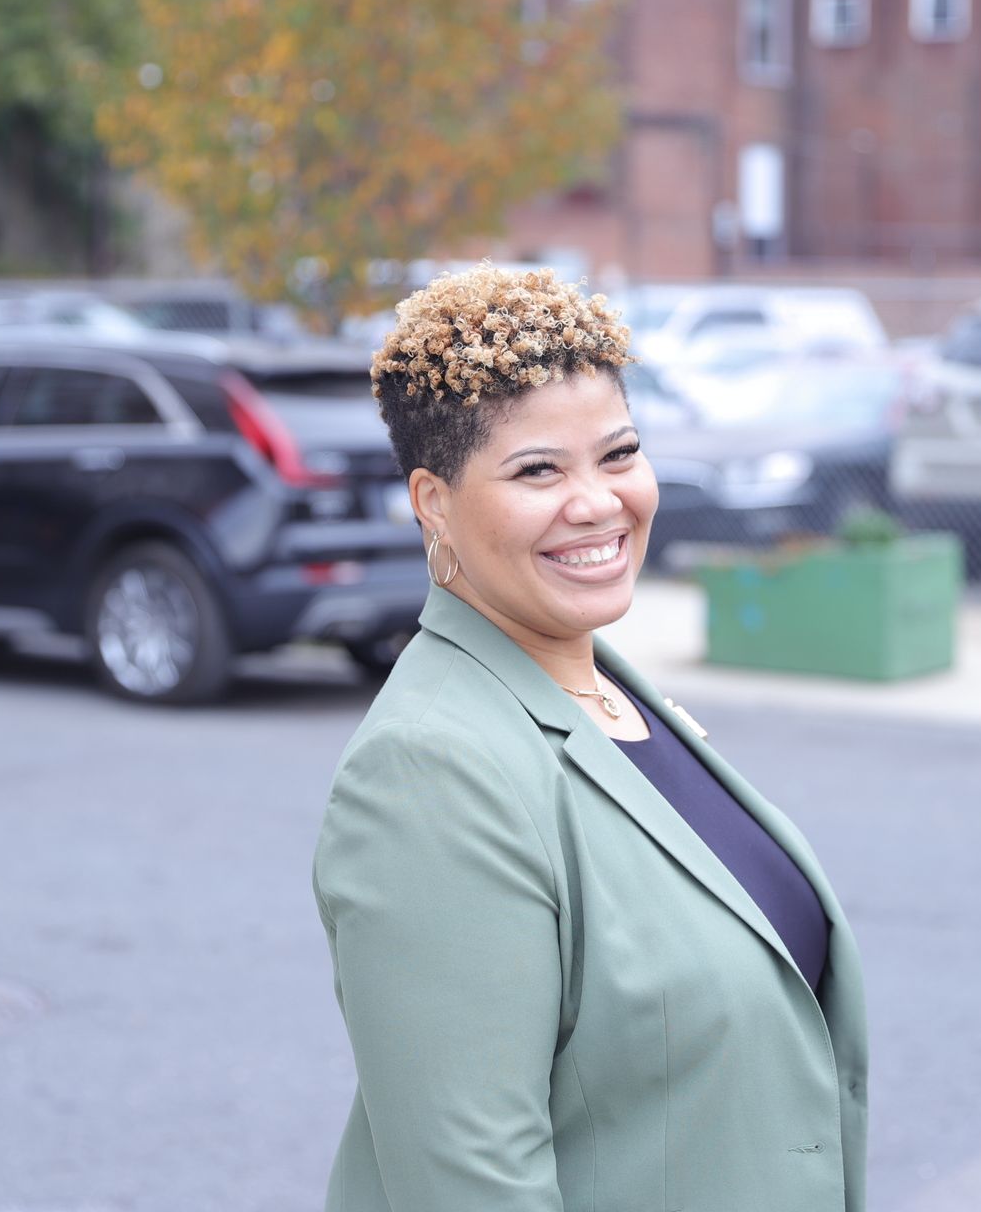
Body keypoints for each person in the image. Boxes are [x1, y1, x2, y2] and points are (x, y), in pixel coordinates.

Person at [311, 264, 869, 1212]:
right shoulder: (430, 771)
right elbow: (471, 1187)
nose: (600, 502)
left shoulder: (606, 689)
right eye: (538, 470)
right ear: (432, 503)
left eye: (618, 454)